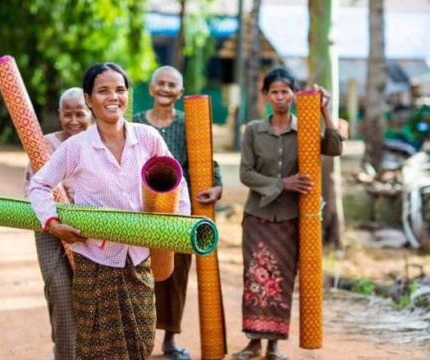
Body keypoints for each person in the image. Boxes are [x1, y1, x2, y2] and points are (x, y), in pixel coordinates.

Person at [28, 63, 191, 360]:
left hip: (139, 259)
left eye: (120, 90)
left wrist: (175, 231)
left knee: (141, 341)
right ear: (89, 99)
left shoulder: (148, 138)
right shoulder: (76, 147)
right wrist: (52, 223)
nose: (113, 97)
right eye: (103, 91)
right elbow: (38, 186)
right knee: (95, 347)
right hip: (95, 262)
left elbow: (176, 184)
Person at [233, 68, 342, 360]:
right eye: (275, 92)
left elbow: (334, 147)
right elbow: (246, 174)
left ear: (294, 95)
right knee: (255, 279)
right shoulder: (254, 130)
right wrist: (283, 183)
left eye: (285, 91)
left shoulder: (305, 130)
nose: (280, 97)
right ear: (266, 96)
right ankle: (253, 342)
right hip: (258, 217)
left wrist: (325, 111)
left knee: (282, 280)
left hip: (291, 220)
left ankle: (274, 345)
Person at [133, 65, 223, 360]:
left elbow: (210, 163)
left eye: (173, 84)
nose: (166, 88)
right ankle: (138, 340)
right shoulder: (134, 124)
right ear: (151, 88)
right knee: (138, 275)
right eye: (161, 83)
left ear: (180, 92)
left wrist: (217, 187)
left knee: (176, 275)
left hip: (180, 213)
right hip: (141, 211)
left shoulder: (189, 125)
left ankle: (170, 340)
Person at [23, 87, 92, 360]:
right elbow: (33, 190)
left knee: (94, 303)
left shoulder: (99, 142)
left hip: (90, 233)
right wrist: (52, 221)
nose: (74, 121)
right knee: (61, 296)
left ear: (91, 112)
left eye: (80, 114)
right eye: (67, 114)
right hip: (49, 230)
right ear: (59, 115)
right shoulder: (42, 145)